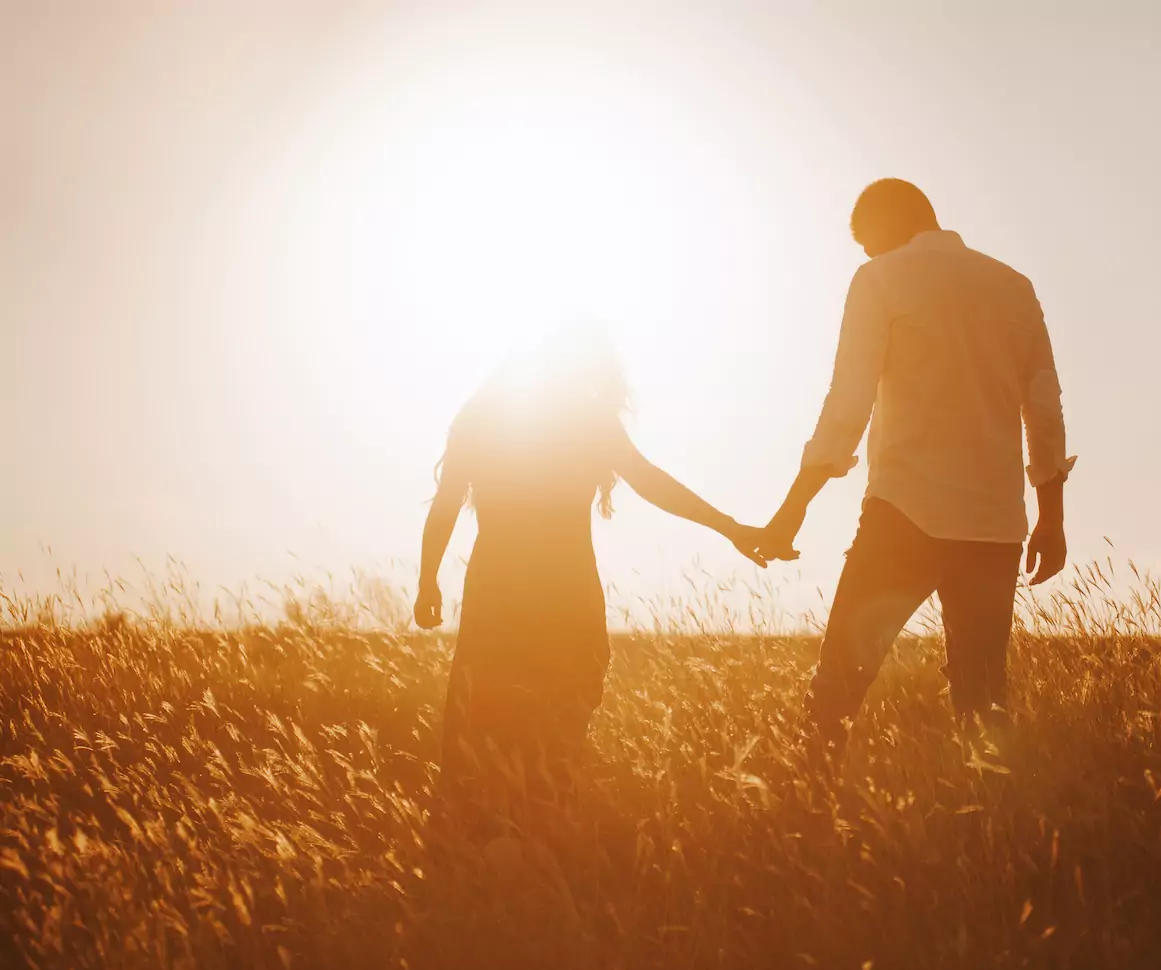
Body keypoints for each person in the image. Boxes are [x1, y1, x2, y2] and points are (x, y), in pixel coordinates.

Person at [758, 179, 1075, 758]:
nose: (868, 255)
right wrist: (1051, 517)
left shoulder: (879, 279)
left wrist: (791, 510)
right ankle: (990, 838)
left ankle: (805, 821)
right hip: (995, 528)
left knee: (835, 695)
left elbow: (847, 402)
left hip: (904, 517)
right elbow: (1045, 403)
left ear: (889, 221)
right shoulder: (1014, 287)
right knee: (983, 708)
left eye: (867, 241)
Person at [414, 328, 765, 796]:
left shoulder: (483, 419)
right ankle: (533, 842)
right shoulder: (587, 418)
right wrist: (730, 527)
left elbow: (445, 506)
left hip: (500, 594)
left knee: (482, 735)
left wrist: (428, 582)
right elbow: (649, 481)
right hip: (565, 595)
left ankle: (486, 844)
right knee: (554, 738)